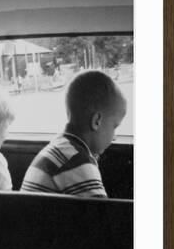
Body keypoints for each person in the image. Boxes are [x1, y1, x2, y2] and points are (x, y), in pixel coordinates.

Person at [20, 70, 127, 198]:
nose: (114, 136)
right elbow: (102, 214)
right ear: (96, 121)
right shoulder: (76, 161)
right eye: (114, 127)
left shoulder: (60, 149)